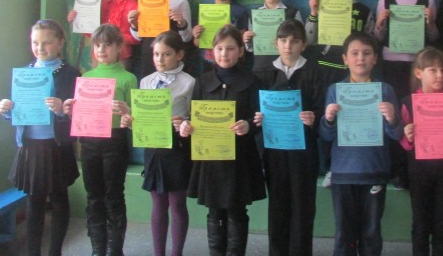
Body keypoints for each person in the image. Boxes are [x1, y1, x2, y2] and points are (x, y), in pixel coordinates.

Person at [179, 24, 266, 256]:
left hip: (240, 159)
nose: (224, 54)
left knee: (237, 211)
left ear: (241, 51)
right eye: (219, 48)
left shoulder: (252, 81)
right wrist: (186, 126)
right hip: (211, 158)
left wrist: (248, 124)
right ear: (212, 51)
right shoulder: (202, 81)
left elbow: (260, 119)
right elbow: (192, 116)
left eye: (230, 48)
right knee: (214, 211)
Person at [0, 19, 80, 256]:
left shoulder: (71, 74)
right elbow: (19, 111)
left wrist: (62, 111)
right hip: (30, 145)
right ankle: (33, 252)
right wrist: (6, 110)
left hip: (56, 144)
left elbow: (79, 115)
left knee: (59, 198)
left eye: (47, 43)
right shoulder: (25, 73)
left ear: (60, 42)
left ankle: (55, 252)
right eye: (35, 43)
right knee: (34, 200)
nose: (40, 48)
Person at [318, 32, 401, 256]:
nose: (360, 58)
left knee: (371, 233)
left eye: (366, 53)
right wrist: (328, 119)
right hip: (343, 172)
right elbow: (325, 135)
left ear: (375, 58)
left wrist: (392, 118)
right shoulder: (335, 91)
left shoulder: (385, 91)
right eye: (354, 53)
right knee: (344, 233)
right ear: (345, 59)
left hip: (374, 170)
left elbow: (397, 135)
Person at [63, 24, 136, 256]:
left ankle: (115, 249)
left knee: (113, 196)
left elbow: (136, 117)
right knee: (93, 196)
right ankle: (97, 248)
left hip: (115, 142)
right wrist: (71, 110)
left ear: (119, 47)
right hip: (89, 142)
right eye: (97, 45)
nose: (101, 50)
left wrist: (127, 111)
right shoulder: (86, 77)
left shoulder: (128, 78)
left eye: (107, 45)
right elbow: (82, 113)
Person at [253, 19, 324, 256]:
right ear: (276, 43)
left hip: (304, 152)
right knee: (278, 205)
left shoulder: (314, 72)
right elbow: (254, 111)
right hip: (274, 152)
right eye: (283, 40)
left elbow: (322, 110)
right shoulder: (263, 73)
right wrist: (257, 118)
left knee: (303, 206)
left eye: (294, 41)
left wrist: (314, 117)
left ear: (303, 45)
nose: (288, 46)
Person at [121, 31, 195, 256]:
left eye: (166, 54)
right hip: (153, 148)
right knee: (158, 204)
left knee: (177, 203)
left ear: (179, 55)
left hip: (177, 148)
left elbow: (195, 116)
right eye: (156, 54)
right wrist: (130, 120)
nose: (160, 59)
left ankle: (176, 253)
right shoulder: (146, 81)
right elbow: (142, 119)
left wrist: (185, 122)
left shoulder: (189, 82)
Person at [373, 0, 440, 188]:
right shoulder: (385, 0)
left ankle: (417, 166)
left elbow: (434, 38)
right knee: (396, 117)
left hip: (417, 66)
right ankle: (398, 170)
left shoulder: (428, 0)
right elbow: (378, 37)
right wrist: (380, 24)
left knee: (418, 116)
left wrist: (431, 24)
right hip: (392, 65)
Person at [305, 0, 375, 187]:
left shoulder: (363, 10)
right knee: (328, 118)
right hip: (324, 69)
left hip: (351, 71)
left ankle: (352, 164)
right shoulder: (321, 7)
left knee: (351, 118)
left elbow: (371, 39)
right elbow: (309, 40)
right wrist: (313, 14)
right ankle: (329, 167)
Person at [399, 47, 443, 256]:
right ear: (418, 73)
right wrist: (408, 135)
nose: (440, 75)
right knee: (420, 223)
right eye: (433, 70)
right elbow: (403, 143)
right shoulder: (408, 102)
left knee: (442, 224)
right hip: (419, 172)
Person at [128, 0, 193, 79]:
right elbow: (138, 37)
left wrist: (182, 24)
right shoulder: (145, 0)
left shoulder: (180, 2)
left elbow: (187, 38)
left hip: (171, 58)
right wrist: (134, 25)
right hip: (149, 55)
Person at [67, 0, 140, 71]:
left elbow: (136, 38)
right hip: (98, 56)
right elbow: (91, 32)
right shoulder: (98, 3)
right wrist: (77, 20)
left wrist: (114, 39)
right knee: (98, 81)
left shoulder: (133, 5)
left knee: (119, 81)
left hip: (122, 55)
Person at [191, 0, 250, 73]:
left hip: (229, 60)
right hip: (207, 61)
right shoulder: (205, 12)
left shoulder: (240, 11)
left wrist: (233, 31)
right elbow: (197, 43)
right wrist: (196, 36)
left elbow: (243, 41)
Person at [243, 0, 303, 71]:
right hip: (262, 66)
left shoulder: (292, 13)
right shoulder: (254, 15)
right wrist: (247, 40)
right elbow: (251, 48)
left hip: (287, 67)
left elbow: (301, 41)